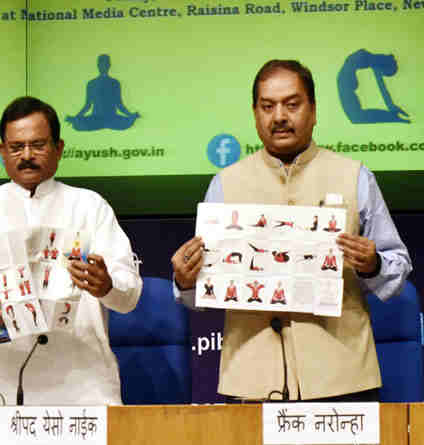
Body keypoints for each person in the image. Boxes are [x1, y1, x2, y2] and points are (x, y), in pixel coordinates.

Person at [172, 60, 412, 402]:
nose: (279, 116)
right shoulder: (225, 185)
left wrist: (373, 264)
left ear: (313, 110)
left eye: (292, 104)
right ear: (255, 113)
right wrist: (185, 280)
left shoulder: (355, 177)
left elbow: (397, 266)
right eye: (267, 106)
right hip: (251, 381)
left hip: (342, 380)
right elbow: (202, 293)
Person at [0, 96, 142, 406]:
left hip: (80, 383)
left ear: (59, 148)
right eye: (16, 147)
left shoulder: (89, 206)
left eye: (38, 145)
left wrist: (107, 285)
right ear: (2, 152)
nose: (27, 156)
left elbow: (129, 295)